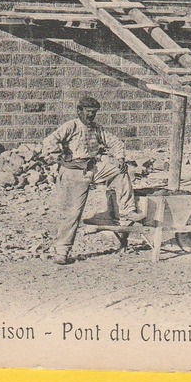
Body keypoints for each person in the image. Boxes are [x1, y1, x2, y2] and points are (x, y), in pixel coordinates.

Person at [40, 96, 145, 265]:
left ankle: (126, 210)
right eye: (88, 112)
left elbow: (115, 142)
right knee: (72, 213)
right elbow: (48, 142)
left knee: (120, 171)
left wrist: (120, 158)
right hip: (73, 172)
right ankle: (62, 251)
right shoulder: (71, 126)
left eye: (94, 113)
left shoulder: (96, 128)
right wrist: (60, 156)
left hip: (92, 168)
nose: (91, 116)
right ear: (79, 111)